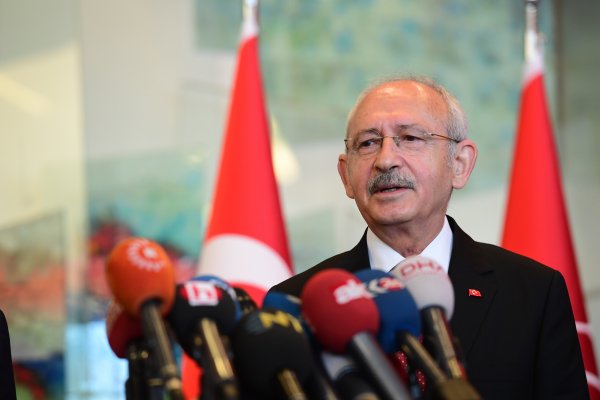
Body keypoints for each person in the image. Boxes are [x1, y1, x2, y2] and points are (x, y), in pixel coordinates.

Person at [269, 76, 589, 399]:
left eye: (410, 138)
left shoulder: (533, 293)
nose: (386, 160)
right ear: (346, 176)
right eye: (367, 143)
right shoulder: (295, 306)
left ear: (459, 164)